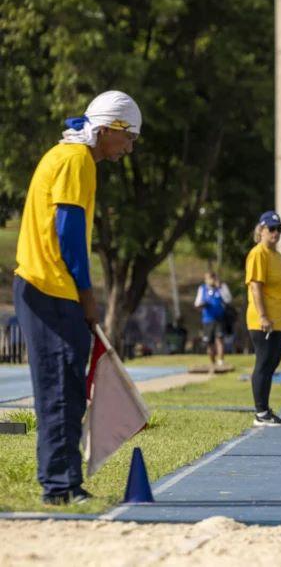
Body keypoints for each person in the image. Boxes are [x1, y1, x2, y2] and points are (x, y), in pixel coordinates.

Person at [13, 90, 141, 505]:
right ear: (106, 130)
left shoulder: (74, 158)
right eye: (129, 138)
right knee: (59, 389)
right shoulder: (75, 161)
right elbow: (69, 236)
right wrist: (88, 295)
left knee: (66, 387)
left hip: (52, 288)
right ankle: (59, 486)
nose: (130, 148)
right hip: (50, 289)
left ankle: (64, 482)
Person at [245, 211, 281, 426]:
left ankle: (265, 409)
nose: (275, 233)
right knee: (264, 363)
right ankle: (260, 412)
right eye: (271, 229)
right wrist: (264, 315)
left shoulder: (277, 255)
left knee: (272, 364)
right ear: (261, 230)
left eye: (278, 229)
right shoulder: (259, 253)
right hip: (264, 321)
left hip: (280, 322)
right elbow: (256, 286)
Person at [194, 271, 232, 369]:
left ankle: (221, 361)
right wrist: (203, 304)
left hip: (220, 318)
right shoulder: (202, 288)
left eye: (212, 278)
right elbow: (197, 303)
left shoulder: (222, 287)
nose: (210, 280)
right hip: (207, 319)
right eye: (208, 278)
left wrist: (219, 288)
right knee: (209, 342)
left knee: (219, 339)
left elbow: (228, 300)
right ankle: (212, 362)